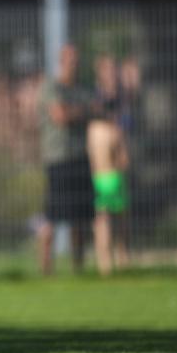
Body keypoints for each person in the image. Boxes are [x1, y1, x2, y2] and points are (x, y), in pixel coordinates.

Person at [38, 45, 98, 275]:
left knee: (80, 219)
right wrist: (83, 110)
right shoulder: (51, 88)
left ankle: (78, 270)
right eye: (70, 60)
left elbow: (96, 108)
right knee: (52, 216)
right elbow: (60, 115)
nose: (75, 64)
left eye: (77, 60)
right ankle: (46, 271)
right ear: (61, 61)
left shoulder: (82, 89)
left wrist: (78, 110)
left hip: (80, 157)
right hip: (58, 159)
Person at [87, 112, 130, 275]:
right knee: (120, 223)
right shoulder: (115, 131)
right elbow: (124, 160)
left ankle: (103, 264)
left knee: (101, 223)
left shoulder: (91, 131)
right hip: (115, 178)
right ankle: (122, 260)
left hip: (98, 179)